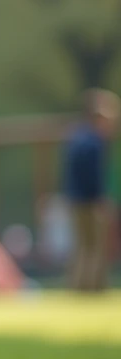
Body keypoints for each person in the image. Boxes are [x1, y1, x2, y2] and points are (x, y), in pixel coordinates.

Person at [63, 88, 120, 292]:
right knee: (95, 247)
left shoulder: (76, 137)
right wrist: (101, 198)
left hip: (75, 200)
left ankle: (79, 287)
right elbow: (94, 176)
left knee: (82, 247)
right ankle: (93, 289)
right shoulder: (94, 142)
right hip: (90, 201)